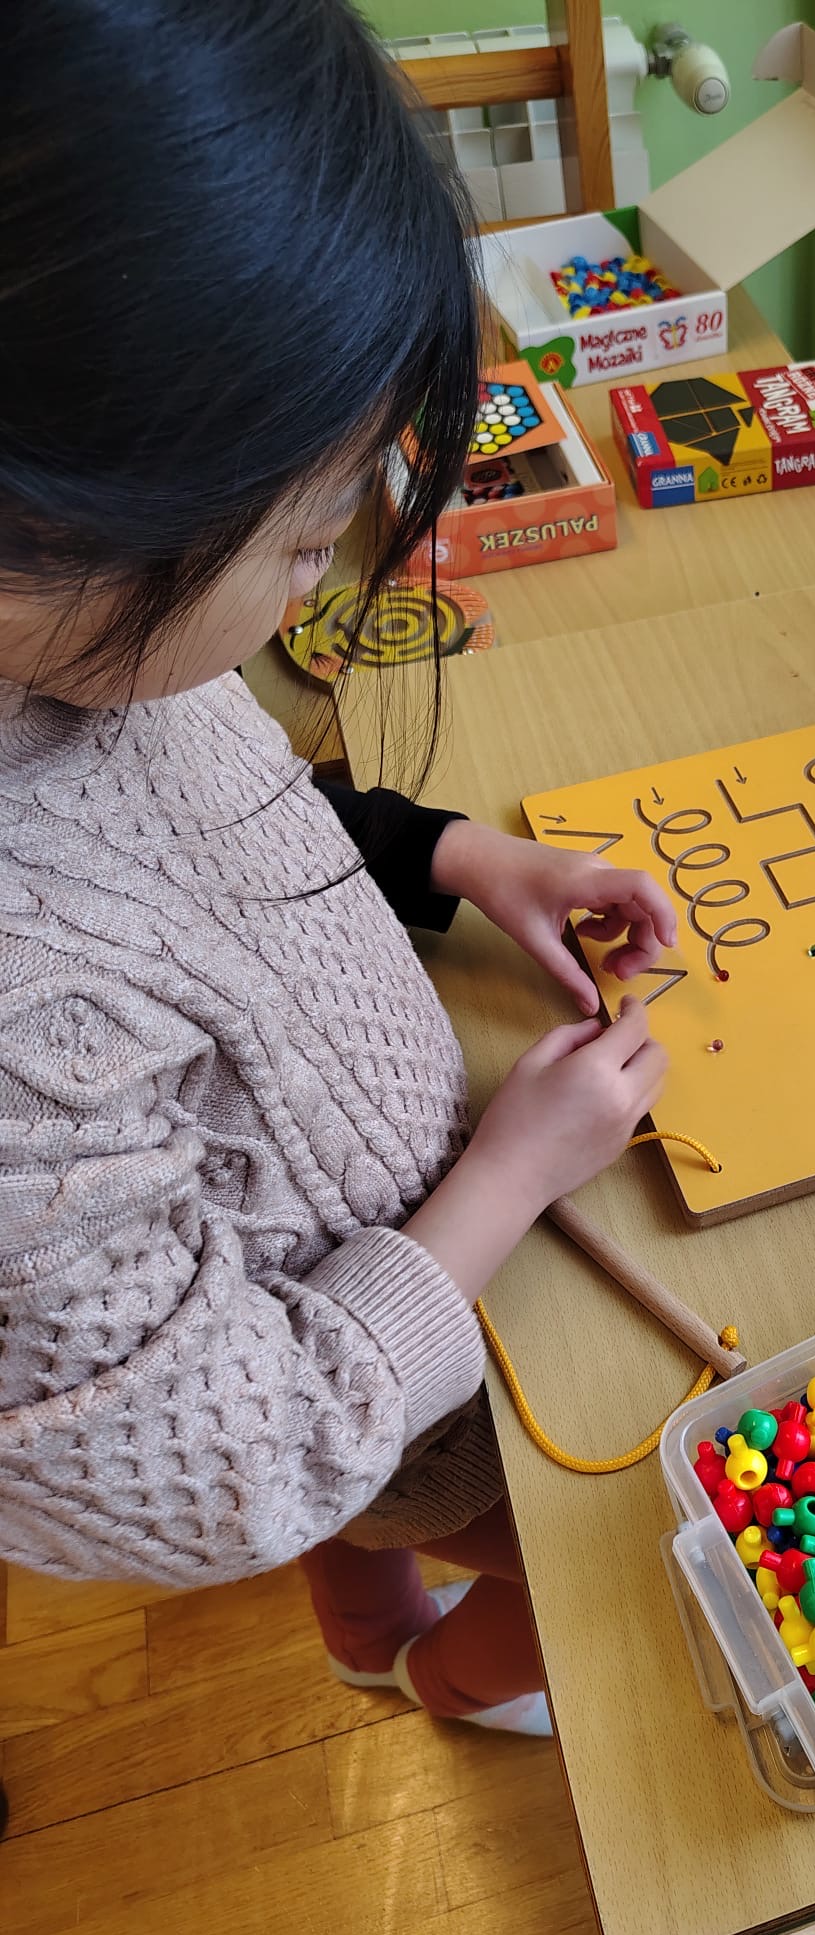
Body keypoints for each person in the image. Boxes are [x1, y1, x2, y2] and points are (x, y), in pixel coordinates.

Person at [0, 0, 675, 1731]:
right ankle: (447, 1681)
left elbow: (221, 824)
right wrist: (508, 1178)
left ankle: (368, 1620)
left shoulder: (87, 645)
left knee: (367, 1524)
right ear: (59, 517)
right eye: (308, 538)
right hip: (377, 1366)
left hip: (379, 1287)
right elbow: (229, 1461)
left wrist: (462, 857)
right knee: (625, 1562)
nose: (319, 580)